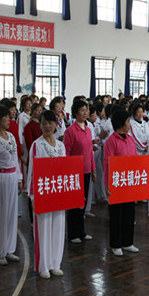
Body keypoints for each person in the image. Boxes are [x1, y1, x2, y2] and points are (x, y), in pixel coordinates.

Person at [26, 111, 66, 277]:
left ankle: (55, 263)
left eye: (50, 123)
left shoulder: (61, 146)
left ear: (56, 124)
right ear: (40, 125)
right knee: (43, 228)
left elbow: (66, 169)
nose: (48, 126)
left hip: (59, 192)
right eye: (44, 123)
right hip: (43, 192)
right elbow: (32, 172)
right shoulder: (37, 145)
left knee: (58, 227)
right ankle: (43, 265)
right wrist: (32, 196)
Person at [0, 104, 23, 265]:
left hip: (12, 176)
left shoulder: (11, 137)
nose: (9, 120)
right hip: (0, 178)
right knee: (0, 215)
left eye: (9, 116)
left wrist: (19, 179)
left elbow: (16, 159)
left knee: (11, 215)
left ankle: (9, 249)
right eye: (6, 117)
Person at [103, 109, 140, 256]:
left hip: (129, 181)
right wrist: (107, 184)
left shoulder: (130, 139)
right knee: (116, 214)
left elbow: (136, 160)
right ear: (120, 123)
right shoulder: (111, 141)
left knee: (129, 213)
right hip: (117, 183)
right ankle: (116, 244)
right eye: (128, 121)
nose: (130, 124)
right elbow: (107, 163)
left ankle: (127, 242)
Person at [63, 99, 96, 244]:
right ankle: (73, 233)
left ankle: (81, 231)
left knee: (83, 202)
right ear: (75, 113)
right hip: (75, 172)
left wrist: (93, 169)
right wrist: (69, 171)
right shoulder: (70, 131)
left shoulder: (88, 130)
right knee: (74, 203)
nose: (85, 113)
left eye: (86, 110)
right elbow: (66, 153)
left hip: (87, 171)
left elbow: (90, 152)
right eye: (82, 110)